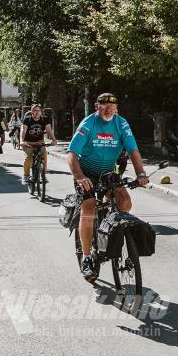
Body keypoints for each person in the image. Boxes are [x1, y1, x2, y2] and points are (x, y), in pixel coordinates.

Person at [66, 92, 149, 281]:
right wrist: (79, 177)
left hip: (108, 173)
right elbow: (71, 153)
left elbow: (133, 150)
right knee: (88, 208)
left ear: (116, 108)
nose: (108, 110)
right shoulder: (88, 124)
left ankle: (111, 232)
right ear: (97, 107)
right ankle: (87, 257)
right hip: (86, 174)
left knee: (125, 201)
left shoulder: (121, 123)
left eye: (112, 107)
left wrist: (141, 174)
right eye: (104, 107)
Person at [20, 104, 57, 186]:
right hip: (28, 142)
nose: (37, 112)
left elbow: (49, 130)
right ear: (31, 112)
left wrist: (54, 140)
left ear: (41, 112)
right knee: (29, 157)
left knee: (44, 155)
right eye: (35, 110)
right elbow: (23, 131)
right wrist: (21, 141)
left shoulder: (45, 119)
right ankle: (25, 176)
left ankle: (43, 175)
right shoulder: (27, 120)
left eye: (38, 111)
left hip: (39, 141)